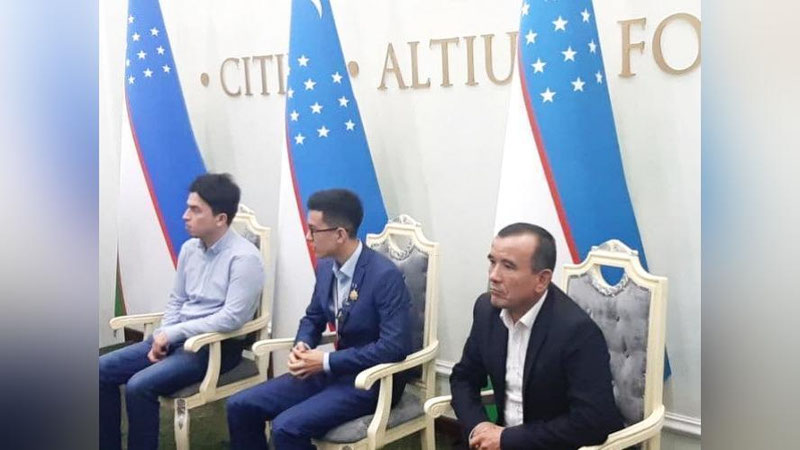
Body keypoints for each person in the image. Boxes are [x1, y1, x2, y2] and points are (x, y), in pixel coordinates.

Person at [226, 188, 412, 450]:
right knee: (240, 405)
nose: (307, 236)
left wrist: (326, 361)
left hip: (371, 382)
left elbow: (394, 347)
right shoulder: (326, 267)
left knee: (286, 427)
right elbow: (313, 318)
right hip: (331, 372)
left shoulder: (384, 276)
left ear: (340, 234)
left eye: (313, 230)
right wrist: (302, 345)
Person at [99, 173, 265, 450]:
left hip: (214, 347)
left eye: (195, 210)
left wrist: (172, 333)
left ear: (220, 218)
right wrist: (164, 334)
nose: (185, 216)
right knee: (101, 370)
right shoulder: (190, 249)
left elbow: (232, 318)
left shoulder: (245, 258)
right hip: (175, 338)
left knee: (139, 386)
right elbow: (177, 300)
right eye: (188, 207)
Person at [450, 223, 624, 450]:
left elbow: (592, 421)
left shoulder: (577, 331)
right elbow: (463, 378)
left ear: (541, 280)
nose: (493, 276)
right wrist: (479, 427)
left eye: (508, 266)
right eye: (492, 262)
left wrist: (507, 439)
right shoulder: (487, 310)